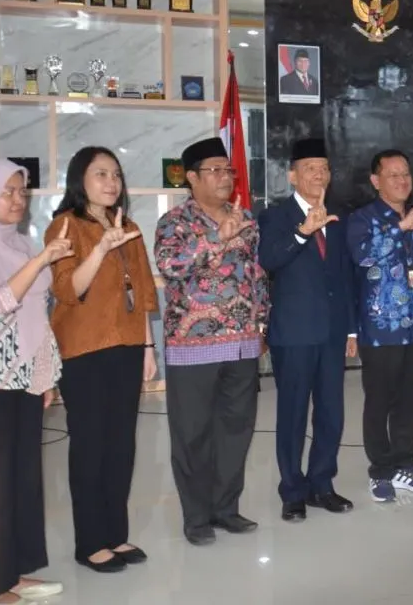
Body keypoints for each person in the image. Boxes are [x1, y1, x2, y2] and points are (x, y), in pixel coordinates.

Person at [46, 147, 159, 572]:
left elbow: (142, 293)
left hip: (127, 347)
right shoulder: (65, 225)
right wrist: (100, 248)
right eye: (100, 174)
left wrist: (148, 348)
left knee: (121, 445)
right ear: (81, 179)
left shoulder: (129, 227)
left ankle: (115, 534)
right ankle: (89, 542)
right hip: (84, 351)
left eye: (116, 174)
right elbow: (67, 289)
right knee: (90, 446)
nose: (111, 182)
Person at [154, 138, 269, 546]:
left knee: (236, 430)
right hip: (193, 347)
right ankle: (197, 517)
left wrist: (261, 323)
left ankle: (226, 508)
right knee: (193, 434)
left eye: (228, 170)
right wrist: (216, 238)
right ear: (192, 177)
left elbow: (256, 275)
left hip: (242, 345)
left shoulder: (247, 219)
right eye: (215, 170)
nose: (225, 177)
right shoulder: (175, 221)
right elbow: (170, 266)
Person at [0, 159, 66, 605]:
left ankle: (10, 572)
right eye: (6, 191)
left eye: (21, 191)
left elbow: (38, 313)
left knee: (20, 479)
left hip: (24, 376)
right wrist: (42, 260)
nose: (17, 200)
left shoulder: (21, 242)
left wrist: (43, 375)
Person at [257, 138, 355, 522]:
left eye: (324, 168)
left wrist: (351, 330)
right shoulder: (275, 216)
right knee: (293, 414)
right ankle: (292, 491)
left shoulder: (339, 216)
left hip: (332, 333)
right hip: (294, 333)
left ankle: (322, 484)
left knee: (331, 413)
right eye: (310, 168)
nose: (319, 174)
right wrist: (302, 231)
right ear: (292, 176)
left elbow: (345, 277)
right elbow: (268, 260)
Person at [346, 149, 413, 501]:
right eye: (393, 175)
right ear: (376, 181)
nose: (402, 181)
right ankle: (380, 470)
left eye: (406, 174)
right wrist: (401, 227)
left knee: (409, 400)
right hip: (379, 327)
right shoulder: (362, 218)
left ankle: (404, 464)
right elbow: (363, 256)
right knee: (379, 401)